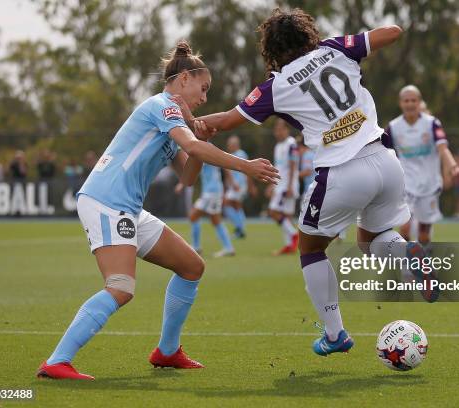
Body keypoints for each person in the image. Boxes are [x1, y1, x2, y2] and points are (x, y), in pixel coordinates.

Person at [181, 8, 429, 355]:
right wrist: (345, 45)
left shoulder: (276, 85)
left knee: (311, 249)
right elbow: (393, 31)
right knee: (368, 240)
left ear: (272, 49)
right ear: (308, 34)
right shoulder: (336, 49)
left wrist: (197, 122)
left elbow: (226, 121)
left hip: (343, 171)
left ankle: (335, 334)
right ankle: (407, 255)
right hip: (386, 161)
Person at [36, 41, 278, 380]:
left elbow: (188, 176)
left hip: (127, 208)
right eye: (203, 88)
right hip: (106, 201)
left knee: (191, 266)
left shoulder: (174, 118)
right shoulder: (162, 105)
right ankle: (57, 361)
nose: (205, 98)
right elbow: (192, 146)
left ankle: (166, 352)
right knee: (121, 287)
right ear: (183, 79)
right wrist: (244, 165)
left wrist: (200, 139)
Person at [382, 85, 459, 252]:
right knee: (405, 228)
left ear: (419, 102)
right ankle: (407, 266)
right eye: (406, 100)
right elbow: (381, 153)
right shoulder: (393, 127)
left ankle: (423, 261)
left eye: (413, 100)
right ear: (401, 103)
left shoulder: (432, 124)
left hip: (429, 184)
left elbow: (442, 148)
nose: (410, 104)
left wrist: (451, 164)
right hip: (405, 184)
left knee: (424, 234)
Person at [189, 161, 236, 257]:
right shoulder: (207, 149)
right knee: (215, 220)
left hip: (211, 192)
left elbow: (225, 165)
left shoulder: (203, 149)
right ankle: (228, 247)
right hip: (213, 191)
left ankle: (196, 247)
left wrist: (232, 183)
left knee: (193, 216)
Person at [268, 118, 300, 255]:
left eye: (280, 129)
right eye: (276, 129)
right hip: (280, 185)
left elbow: (294, 165)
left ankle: (294, 235)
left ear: (287, 129)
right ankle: (289, 246)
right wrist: (271, 183)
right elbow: (277, 167)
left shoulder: (291, 144)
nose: (278, 132)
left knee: (273, 211)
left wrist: (290, 185)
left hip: (287, 185)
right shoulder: (277, 146)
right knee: (286, 216)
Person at [223, 135, 249, 238]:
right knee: (237, 206)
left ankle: (239, 227)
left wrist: (234, 183)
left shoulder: (240, 154)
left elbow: (243, 170)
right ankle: (241, 229)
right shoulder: (235, 154)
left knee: (226, 204)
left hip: (238, 185)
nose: (229, 146)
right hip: (236, 185)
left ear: (235, 145)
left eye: (230, 144)